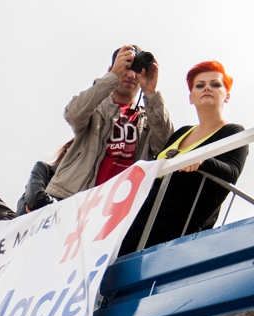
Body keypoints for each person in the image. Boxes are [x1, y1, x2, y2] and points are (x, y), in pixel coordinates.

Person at [120, 61, 248, 255]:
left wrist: (201, 161)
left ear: (227, 95)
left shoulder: (233, 132)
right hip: (141, 221)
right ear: (191, 97)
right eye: (199, 85)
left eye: (215, 84)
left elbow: (231, 172)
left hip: (179, 229)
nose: (207, 88)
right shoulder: (181, 132)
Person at [45, 45, 173, 201]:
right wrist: (112, 76)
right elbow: (73, 114)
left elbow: (166, 145)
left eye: (137, 70)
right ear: (111, 69)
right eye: (126, 67)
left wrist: (151, 93)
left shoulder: (150, 118)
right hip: (75, 201)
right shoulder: (95, 107)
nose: (131, 75)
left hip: (118, 209)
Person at [15, 140, 74, 215]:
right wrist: (59, 209)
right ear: (68, 148)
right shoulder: (44, 169)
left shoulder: (82, 189)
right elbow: (36, 199)